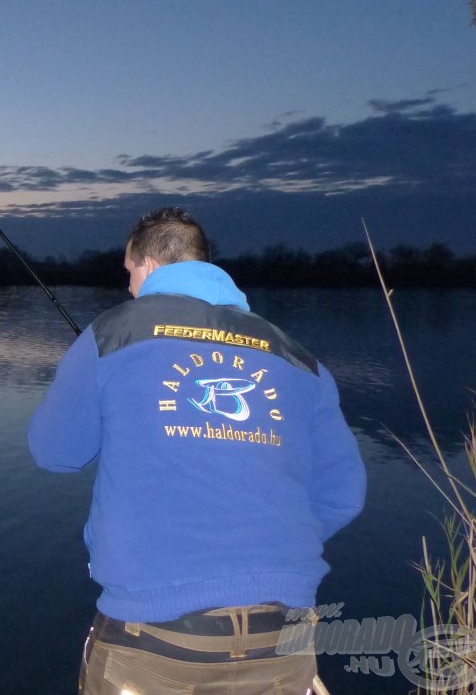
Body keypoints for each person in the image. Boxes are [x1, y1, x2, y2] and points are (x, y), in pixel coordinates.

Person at [28, 206, 365, 694]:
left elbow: (55, 452)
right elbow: (343, 494)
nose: (128, 288)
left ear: (147, 264)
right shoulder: (297, 355)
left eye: (128, 273)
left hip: (153, 635)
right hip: (285, 629)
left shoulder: (111, 332)